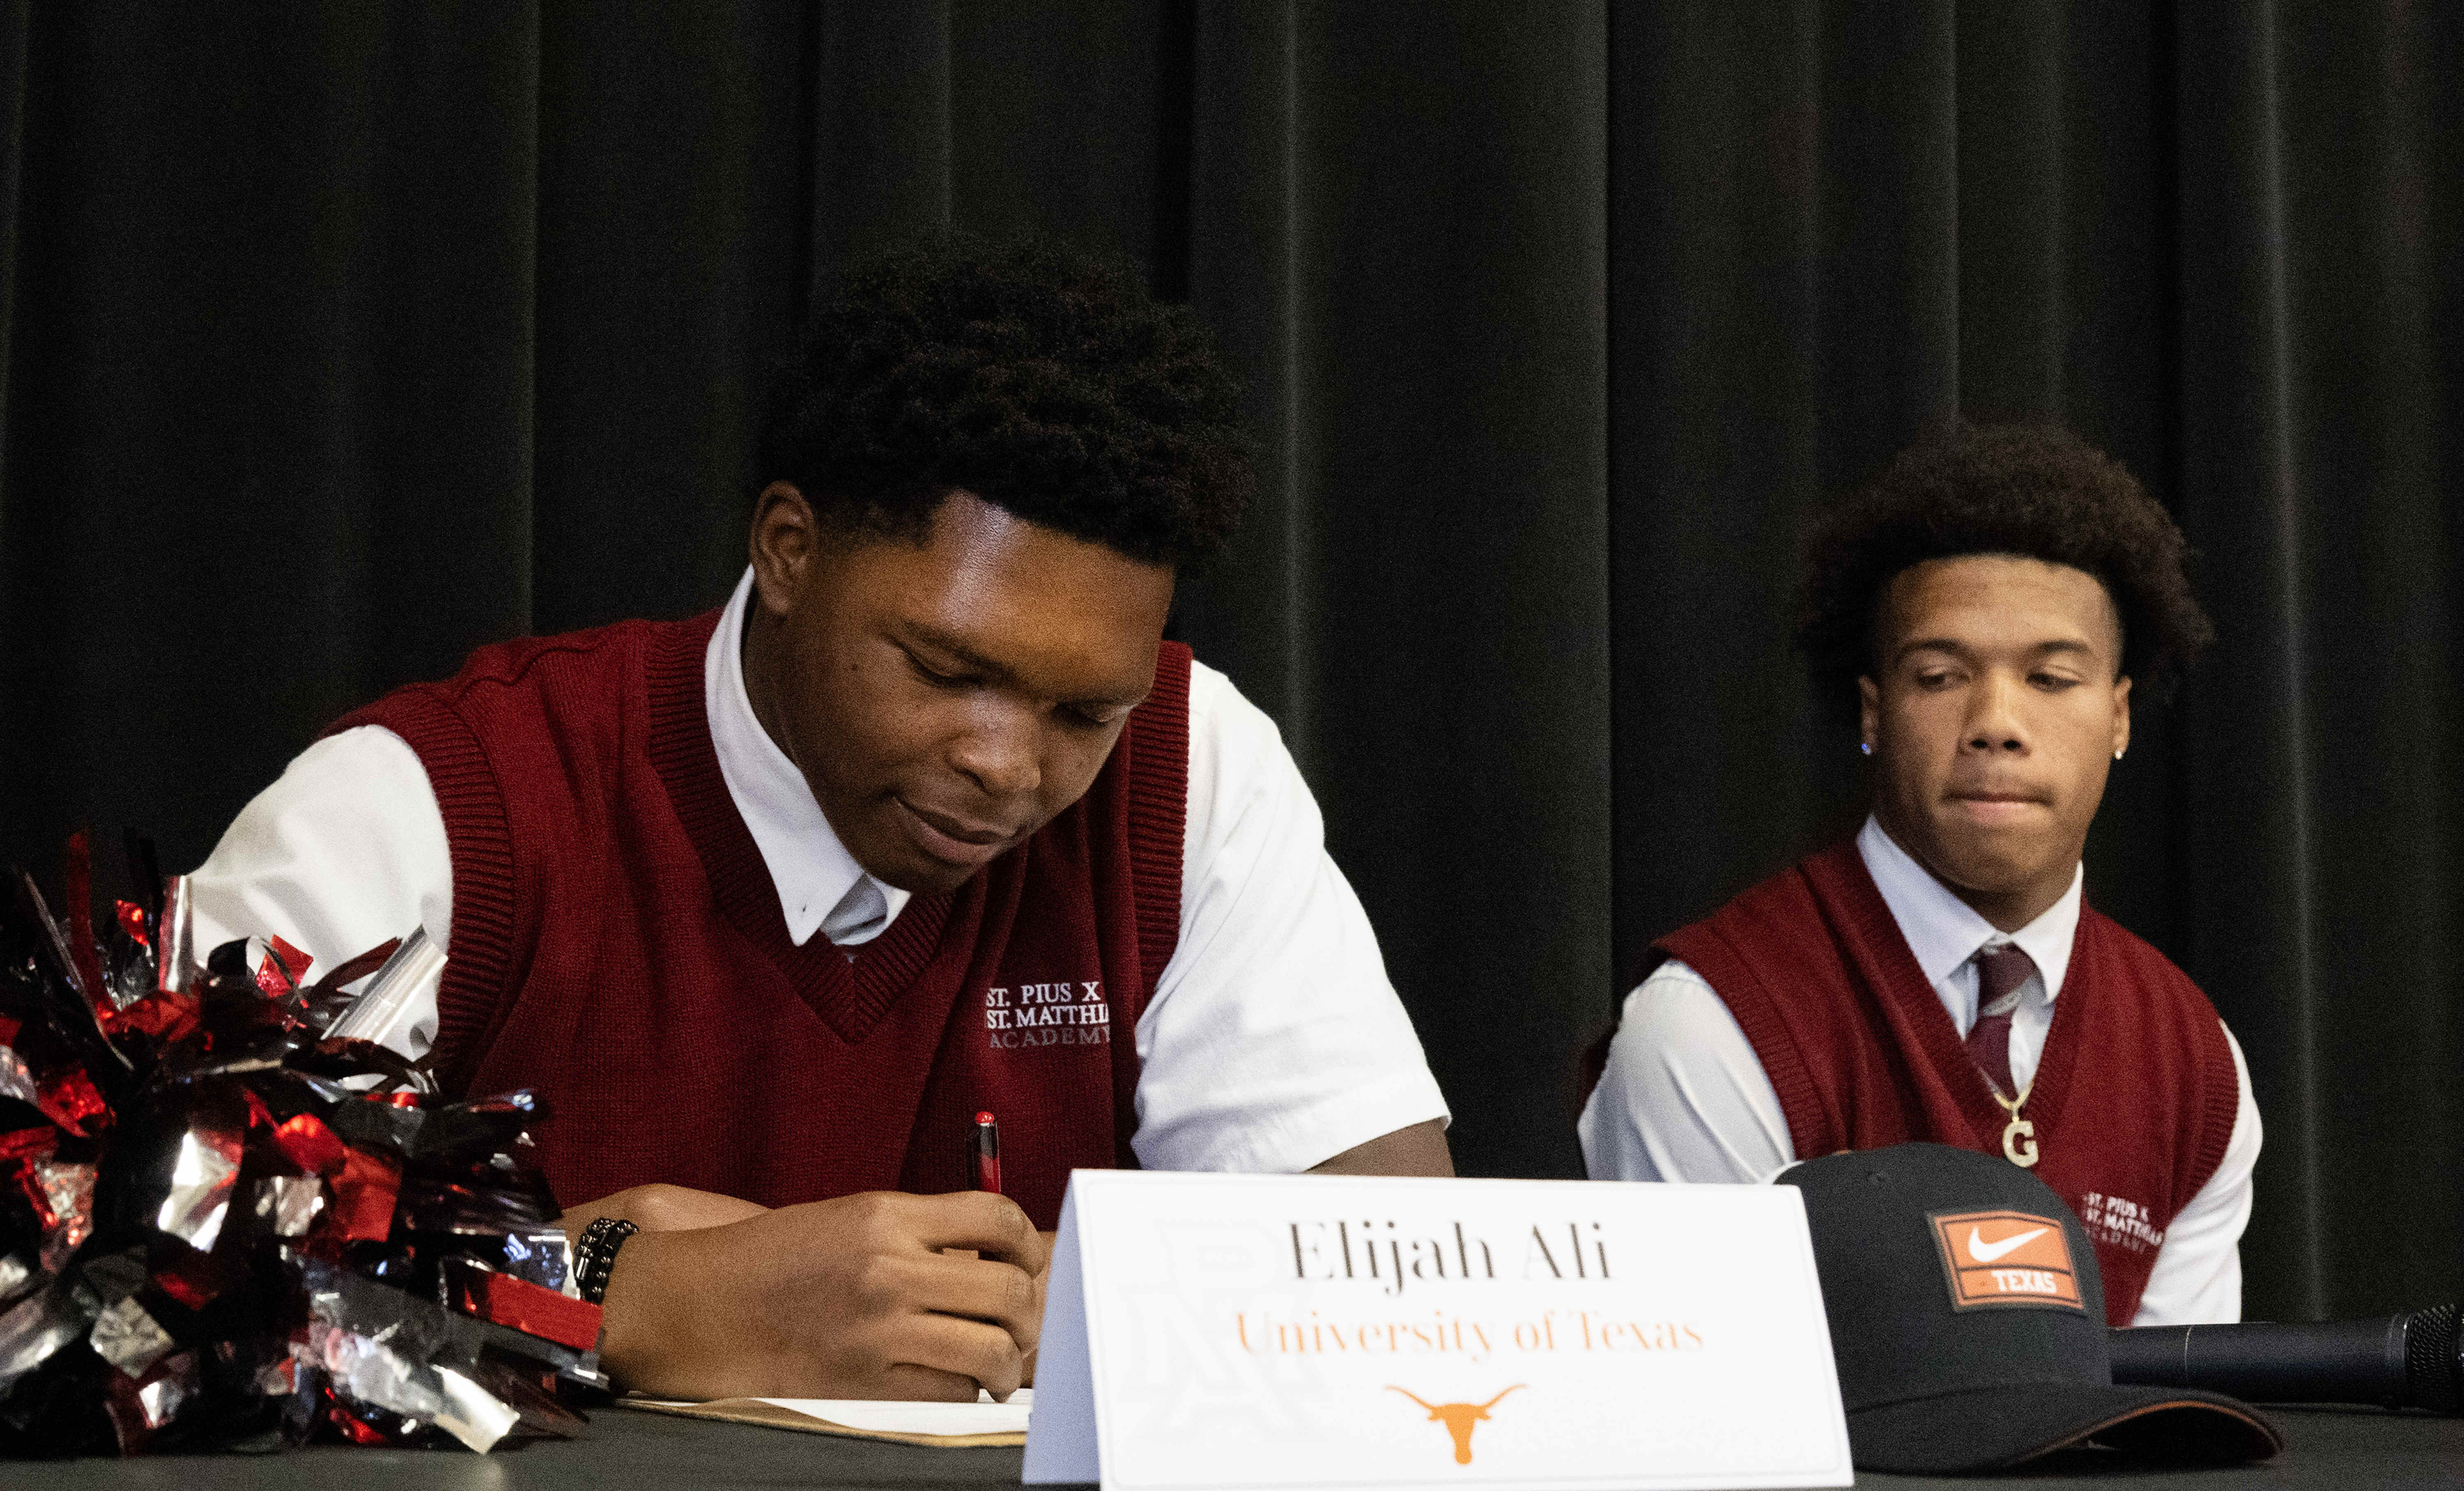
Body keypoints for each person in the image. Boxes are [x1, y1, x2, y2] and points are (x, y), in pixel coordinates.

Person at [189, 239, 1452, 1401]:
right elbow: (114, 1265)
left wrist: (1029, 1301)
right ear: (789, 549)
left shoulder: (1191, 760)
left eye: (1082, 712)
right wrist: (615, 1292)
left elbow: (1402, 1279)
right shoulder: (437, 798)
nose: (1010, 768)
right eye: (949, 672)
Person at [1579, 423, 2259, 1328]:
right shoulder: (1713, 1025)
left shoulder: (2195, 1061)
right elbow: (1721, 1434)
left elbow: (2174, 1429)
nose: (1996, 723)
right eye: (1940, 676)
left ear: (2120, 718)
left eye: (2052, 679)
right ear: (1874, 712)